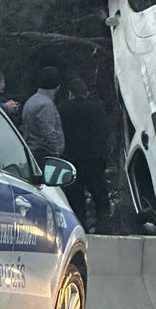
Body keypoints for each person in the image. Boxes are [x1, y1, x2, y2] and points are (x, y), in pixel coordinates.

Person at [58, 78, 110, 233]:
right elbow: (105, 132)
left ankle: (80, 230)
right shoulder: (98, 110)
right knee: (100, 198)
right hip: (94, 160)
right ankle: (103, 228)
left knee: (76, 199)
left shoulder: (62, 110)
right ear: (86, 93)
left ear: (70, 94)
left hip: (71, 160)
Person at [21, 66, 65, 168]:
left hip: (33, 154)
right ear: (57, 84)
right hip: (43, 157)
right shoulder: (46, 105)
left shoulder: (31, 101)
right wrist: (56, 154)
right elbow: (48, 133)